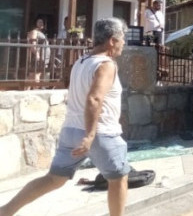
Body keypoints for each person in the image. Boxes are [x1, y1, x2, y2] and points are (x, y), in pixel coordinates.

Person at [0, 18, 130, 216]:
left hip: (70, 131)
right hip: (100, 134)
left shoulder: (81, 61)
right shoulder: (106, 64)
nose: (123, 44)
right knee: (119, 178)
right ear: (112, 40)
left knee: (54, 178)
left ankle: (6, 211)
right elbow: (94, 99)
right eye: (122, 39)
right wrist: (90, 135)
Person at [27, 18, 50, 85]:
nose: (41, 23)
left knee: (35, 75)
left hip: (44, 58)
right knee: (35, 75)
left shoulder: (41, 33)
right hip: (39, 57)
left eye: (42, 22)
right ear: (35, 23)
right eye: (39, 22)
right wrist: (37, 54)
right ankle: (29, 90)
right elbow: (32, 44)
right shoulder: (34, 32)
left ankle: (27, 90)